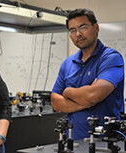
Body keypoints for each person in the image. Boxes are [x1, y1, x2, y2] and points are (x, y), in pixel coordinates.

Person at [51, 8, 124, 140]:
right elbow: (55, 102)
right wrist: (87, 101)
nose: (78, 34)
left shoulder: (111, 58)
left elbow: (93, 95)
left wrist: (68, 92)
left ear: (96, 28)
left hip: (106, 142)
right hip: (73, 139)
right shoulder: (68, 63)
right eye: (72, 30)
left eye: (83, 27)